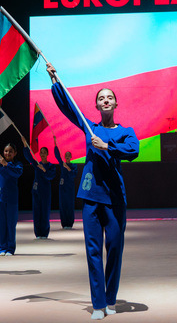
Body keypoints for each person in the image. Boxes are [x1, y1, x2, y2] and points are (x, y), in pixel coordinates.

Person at [47, 64, 139, 321]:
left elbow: (134, 151)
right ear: (97, 106)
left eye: (109, 97)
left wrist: (108, 146)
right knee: (93, 250)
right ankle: (98, 304)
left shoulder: (125, 132)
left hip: (115, 199)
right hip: (91, 198)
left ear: (115, 104)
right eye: (101, 98)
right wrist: (55, 81)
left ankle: (111, 298)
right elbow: (68, 108)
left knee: (115, 247)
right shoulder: (90, 127)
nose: (105, 100)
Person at [24, 144, 58, 239]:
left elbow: (51, 176)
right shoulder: (37, 164)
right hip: (36, 191)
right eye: (41, 153)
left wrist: (44, 170)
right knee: (37, 212)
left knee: (45, 211)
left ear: (47, 154)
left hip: (45, 191)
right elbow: (29, 157)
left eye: (44, 153)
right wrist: (25, 147)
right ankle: (38, 233)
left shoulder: (50, 165)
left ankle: (44, 232)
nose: (42, 154)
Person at [54, 137, 78, 229]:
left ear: (71, 157)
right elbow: (57, 155)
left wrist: (68, 169)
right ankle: (64, 223)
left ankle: (70, 222)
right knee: (63, 205)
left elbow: (73, 175)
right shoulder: (62, 163)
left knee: (70, 205)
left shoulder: (73, 166)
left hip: (70, 188)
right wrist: (55, 143)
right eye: (66, 156)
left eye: (68, 156)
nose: (67, 158)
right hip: (62, 188)